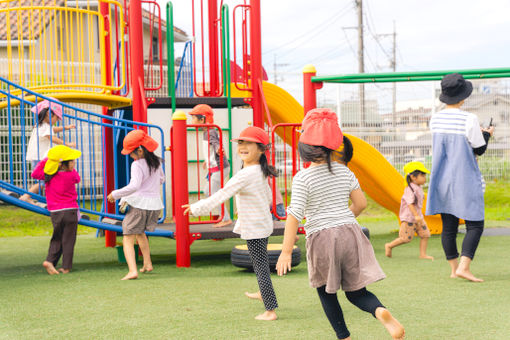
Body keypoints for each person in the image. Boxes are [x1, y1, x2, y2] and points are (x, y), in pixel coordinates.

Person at [276, 108, 404, 340]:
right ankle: (379, 310)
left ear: (304, 146)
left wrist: (286, 252)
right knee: (357, 292)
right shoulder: (344, 171)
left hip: (322, 237)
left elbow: (294, 215)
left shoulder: (302, 178)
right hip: (350, 232)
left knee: (326, 292)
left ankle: (344, 336)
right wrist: (343, 220)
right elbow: (361, 204)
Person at [183, 126, 279, 321]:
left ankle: (270, 310)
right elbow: (267, 196)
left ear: (261, 149)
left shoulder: (247, 173)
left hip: (256, 227)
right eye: (240, 143)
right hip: (261, 224)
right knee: (259, 264)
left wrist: (197, 208)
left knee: (260, 267)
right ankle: (263, 293)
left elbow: (222, 194)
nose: (242, 147)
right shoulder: (258, 170)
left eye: (248, 143)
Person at [426, 73, 494, 282]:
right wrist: (487, 134)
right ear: (463, 97)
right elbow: (479, 149)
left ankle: (454, 269)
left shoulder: (435, 118)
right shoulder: (469, 119)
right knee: (475, 224)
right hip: (464, 178)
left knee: (449, 226)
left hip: (441, 178)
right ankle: (465, 267)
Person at [107, 130, 165, 281]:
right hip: (154, 205)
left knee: (127, 237)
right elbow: (162, 180)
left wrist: (115, 193)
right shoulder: (157, 162)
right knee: (140, 233)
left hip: (139, 205)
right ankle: (147, 263)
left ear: (140, 150)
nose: (130, 156)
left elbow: (134, 185)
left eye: (131, 153)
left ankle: (132, 270)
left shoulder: (137, 165)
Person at [31, 145, 81, 275]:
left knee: (57, 238)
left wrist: (47, 160)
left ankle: (50, 261)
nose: (74, 164)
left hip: (56, 212)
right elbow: (78, 179)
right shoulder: (71, 175)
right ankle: (65, 267)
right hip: (70, 211)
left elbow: (34, 174)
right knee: (68, 240)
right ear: (65, 163)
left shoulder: (49, 176)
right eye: (72, 161)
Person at [21, 99, 76, 203]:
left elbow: (53, 130)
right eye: (56, 117)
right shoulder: (44, 127)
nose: (57, 120)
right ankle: (26, 196)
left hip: (38, 157)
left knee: (47, 180)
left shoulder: (42, 125)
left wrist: (66, 128)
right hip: (39, 157)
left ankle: (40, 197)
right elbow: (52, 137)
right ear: (49, 114)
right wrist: (67, 144)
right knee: (44, 181)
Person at [188, 104, 233, 228]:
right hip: (215, 168)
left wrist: (219, 149)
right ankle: (223, 215)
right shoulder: (207, 131)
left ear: (202, 119)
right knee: (208, 191)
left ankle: (226, 218)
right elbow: (210, 148)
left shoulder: (210, 131)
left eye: (193, 118)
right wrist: (207, 160)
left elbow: (215, 143)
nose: (192, 121)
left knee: (214, 193)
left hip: (220, 168)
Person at [385, 161, 433, 260]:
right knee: (405, 238)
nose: (425, 178)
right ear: (413, 177)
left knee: (425, 234)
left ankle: (423, 254)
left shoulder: (418, 188)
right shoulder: (409, 189)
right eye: (422, 175)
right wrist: (416, 215)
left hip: (418, 217)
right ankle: (389, 246)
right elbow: (410, 204)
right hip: (409, 218)